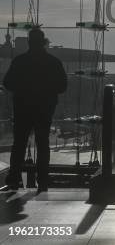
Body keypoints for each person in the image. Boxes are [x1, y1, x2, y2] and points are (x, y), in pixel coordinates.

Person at [3, 29, 67, 193]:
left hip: (23, 107)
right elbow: (62, 86)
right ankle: (43, 179)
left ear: (29, 42)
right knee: (43, 143)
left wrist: (23, 89)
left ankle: (14, 178)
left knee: (19, 143)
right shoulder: (53, 62)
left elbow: (7, 83)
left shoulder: (20, 61)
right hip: (44, 109)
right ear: (44, 42)